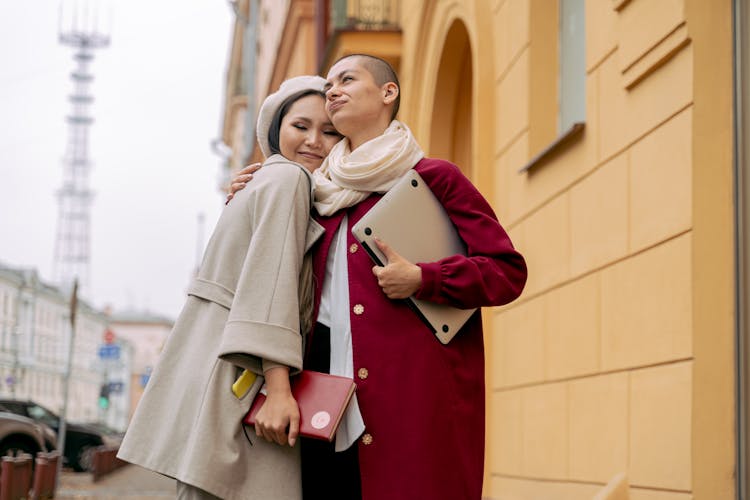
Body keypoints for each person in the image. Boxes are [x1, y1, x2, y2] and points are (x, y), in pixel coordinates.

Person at [229, 55, 527, 500]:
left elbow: (506, 272)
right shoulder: (315, 194)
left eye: (347, 79)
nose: (333, 90)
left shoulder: (433, 178)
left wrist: (424, 279)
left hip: (415, 402)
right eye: (329, 83)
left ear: (388, 93)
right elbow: (270, 282)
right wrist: (247, 200)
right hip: (320, 401)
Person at [117, 75, 343, 500]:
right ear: (276, 130)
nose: (315, 140)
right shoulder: (290, 180)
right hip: (245, 378)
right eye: (301, 126)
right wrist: (278, 390)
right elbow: (268, 286)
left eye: (330, 131)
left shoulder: (265, 183)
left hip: (212, 367)